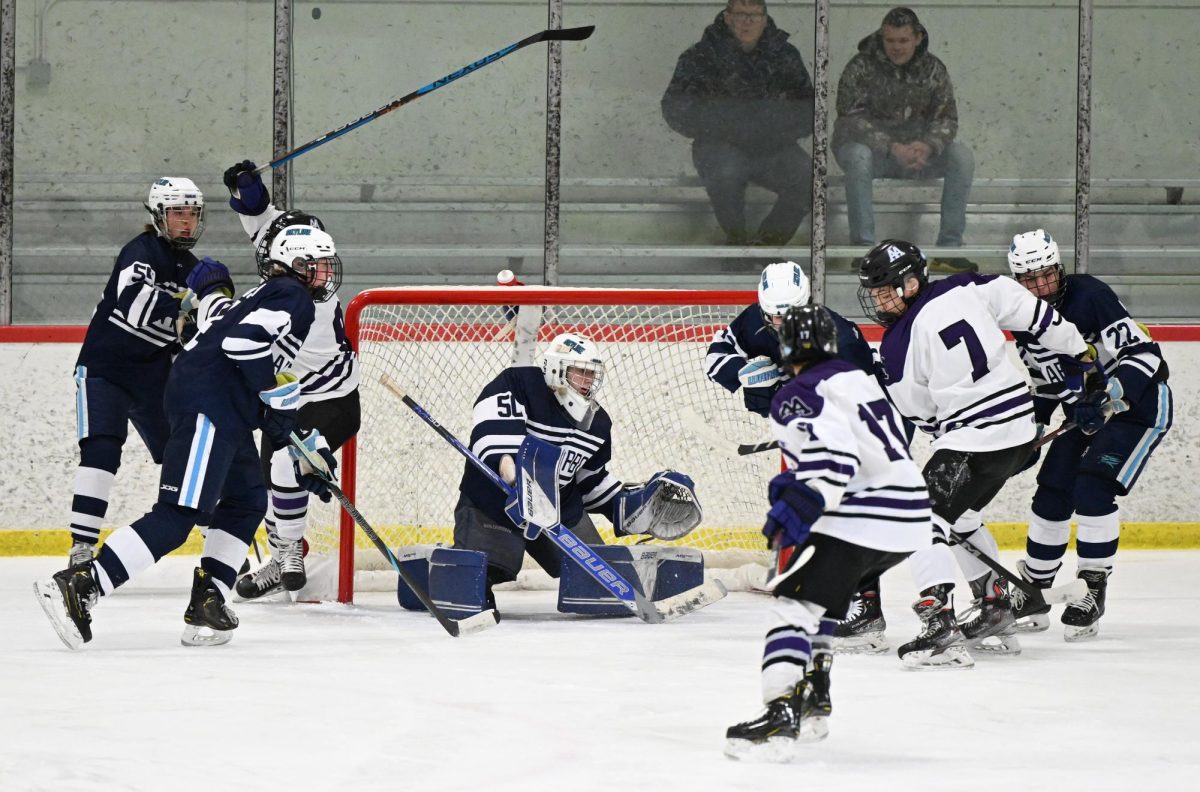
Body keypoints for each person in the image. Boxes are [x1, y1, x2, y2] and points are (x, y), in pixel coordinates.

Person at [34, 227, 342, 649]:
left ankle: (208, 600)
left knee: (246, 500)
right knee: (178, 514)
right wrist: (280, 406)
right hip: (209, 404)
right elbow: (242, 344)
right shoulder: (294, 296)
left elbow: (255, 365)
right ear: (297, 265)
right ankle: (83, 585)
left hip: (221, 404)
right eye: (319, 265)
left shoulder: (270, 294)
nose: (326, 274)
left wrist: (299, 437)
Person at [705, 260, 962, 663]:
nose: (777, 322)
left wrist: (781, 388)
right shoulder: (758, 319)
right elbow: (716, 356)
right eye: (772, 314)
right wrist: (743, 374)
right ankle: (868, 611)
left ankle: (941, 614)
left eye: (786, 315)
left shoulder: (839, 336)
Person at [859, 238, 1097, 658]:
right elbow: (1035, 313)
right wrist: (1081, 351)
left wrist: (946, 430)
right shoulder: (967, 285)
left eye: (884, 291)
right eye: (874, 292)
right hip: (1020, 430)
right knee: (962, 518)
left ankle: (940, 623)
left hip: (975, 437)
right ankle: (997, 605)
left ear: (911, 284)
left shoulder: (897, 344)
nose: (878, 301)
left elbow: (918, 411)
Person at [725, 304, 931, 760]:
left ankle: (779, 713)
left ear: (786, 347)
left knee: (792, 605)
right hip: (911, 516)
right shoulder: (856, 379)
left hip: (864, 513)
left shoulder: (798, 392)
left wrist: (795, 507)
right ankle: (815, 695)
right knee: (823, 603)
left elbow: (833, 457)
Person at [454, 332, 702, 612]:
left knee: (599, 579)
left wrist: (630, 507)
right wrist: (517, 481)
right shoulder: (518, 383)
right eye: (581, 373)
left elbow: (589, 482)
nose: (588, 382)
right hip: (495, 501)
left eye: (591, 375)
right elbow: (494, 443)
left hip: (558, 508)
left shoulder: (596, 424)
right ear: (556, 369)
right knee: (491, 568)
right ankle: (436, 570)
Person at [1006, 229, 1172, 641]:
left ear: (1059, 269)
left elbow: (1145, 354)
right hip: (1084, 415)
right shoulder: (1024, 319)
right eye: (1030, 279)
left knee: (1092, 488)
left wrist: (1109, 398)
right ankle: (1035, 590)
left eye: (1046, 275)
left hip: (1139, 408)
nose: (1040, 286)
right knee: (1051, 491)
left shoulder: (1090, 296)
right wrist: (1030, 430)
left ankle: (1091, 588)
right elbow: (1045, 383)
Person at [214, 161, 361, 600]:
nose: (324, 275)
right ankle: (280, 559)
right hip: (284, 398)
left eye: (323, 264)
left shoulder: (306, 302)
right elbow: (259, 216)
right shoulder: (283, 270)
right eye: (313, 265)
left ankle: (291, 551)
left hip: (330, 398)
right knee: (267, 489)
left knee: (285, 466)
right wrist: (247, 188)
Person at [66, 177, 205, 569]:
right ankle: (81, 546)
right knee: (102, 450)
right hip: (105, 370)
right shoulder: (139, 251)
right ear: (159, 214)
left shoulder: (193, 268)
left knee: (187, 456)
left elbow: (195, 333)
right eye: (178, 212)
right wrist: (188, 303)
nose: (186, 222)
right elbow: (135, 305)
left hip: (155, 378)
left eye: (192, 213)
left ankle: (215, 542)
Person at [833, 7, 976, 273]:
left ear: (917, 38)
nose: (896, 47)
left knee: (961, 156)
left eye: (903, 40)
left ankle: (950, 249)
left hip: (918, 154)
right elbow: (850, 118)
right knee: (857, 155)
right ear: (881, 37)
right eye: (890, 40)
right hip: (874, 155)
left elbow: (947, 118)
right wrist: (891, 147)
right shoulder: (861, 66)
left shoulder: (933, 69)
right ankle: (863, 250)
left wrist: (928, 146)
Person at [662, 0, 815, 248]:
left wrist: (779, 129)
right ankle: (737, 245)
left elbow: (808, 107)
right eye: (741, 14)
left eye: (754, 15)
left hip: (774, 148)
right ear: (727, 17)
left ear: (765, 19)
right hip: (720, 146)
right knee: (724, 175)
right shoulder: (701, 56)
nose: (748, 21)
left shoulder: (785, 55)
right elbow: (674, 106)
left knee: (811, 180)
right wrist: (717, 127)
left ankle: (766, 244)